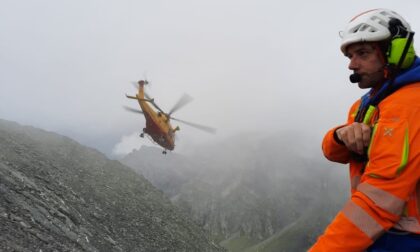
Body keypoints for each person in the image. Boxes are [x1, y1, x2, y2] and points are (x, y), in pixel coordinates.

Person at [310, 8, 420, 251]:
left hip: (406, 240)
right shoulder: (368, 104)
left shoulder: (410, 105)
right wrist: (339, 136)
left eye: (362, 53)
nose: (351, 64)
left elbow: (378, 202)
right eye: (350, 55)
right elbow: (334, 152)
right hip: (383, 235)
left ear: (395, 52)